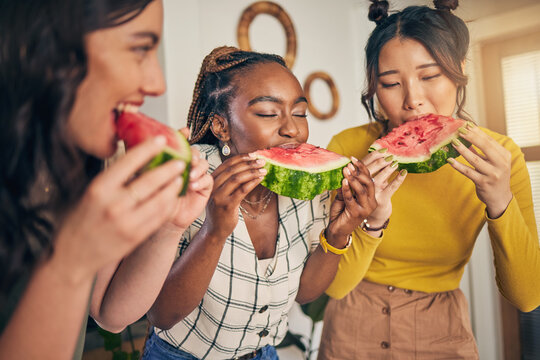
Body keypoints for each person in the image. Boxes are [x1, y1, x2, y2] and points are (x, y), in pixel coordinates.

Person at [317, 0, 540, 359]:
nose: (413, 100)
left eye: (430, 76)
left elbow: (528, 296)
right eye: (390, 83)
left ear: (459, 70)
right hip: (351, 327)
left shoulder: (500, 158)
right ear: (374, 87)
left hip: (440, 331)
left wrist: (500, 202)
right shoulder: (349, 148)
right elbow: (337, 287)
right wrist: (371, 220)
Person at [0, 0, 212, 358]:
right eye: (140, 48)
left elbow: (110, 314)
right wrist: (69, 262)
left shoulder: (91, 157)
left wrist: (170, 227)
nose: (157, 83)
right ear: (48, 46)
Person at [140, 46, 377, 360]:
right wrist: (214, 231)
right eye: (268, 113)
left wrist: (338, 234)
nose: (292, 129)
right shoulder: (185, 179)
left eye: (300, 113)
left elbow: (305, 294)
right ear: (221, 126)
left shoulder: (308, 186)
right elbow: (161, 315)